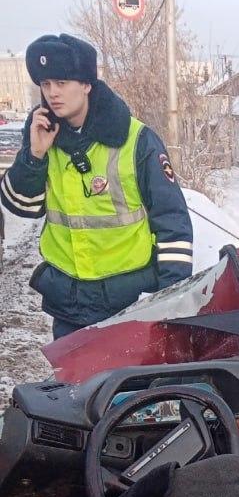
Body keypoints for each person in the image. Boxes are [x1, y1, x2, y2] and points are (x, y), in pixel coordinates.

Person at [0, 33, 193, 339]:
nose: (52, 93)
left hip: (128, 303)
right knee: (72, 386)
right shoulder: (42, 134)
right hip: (68, 303)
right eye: (46, 84)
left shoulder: (137, 139)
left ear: (87, 84)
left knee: (126, 387)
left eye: (62, 83)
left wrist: (171, 300)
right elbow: (23, 206)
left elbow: (174, 225)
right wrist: (34, 156)